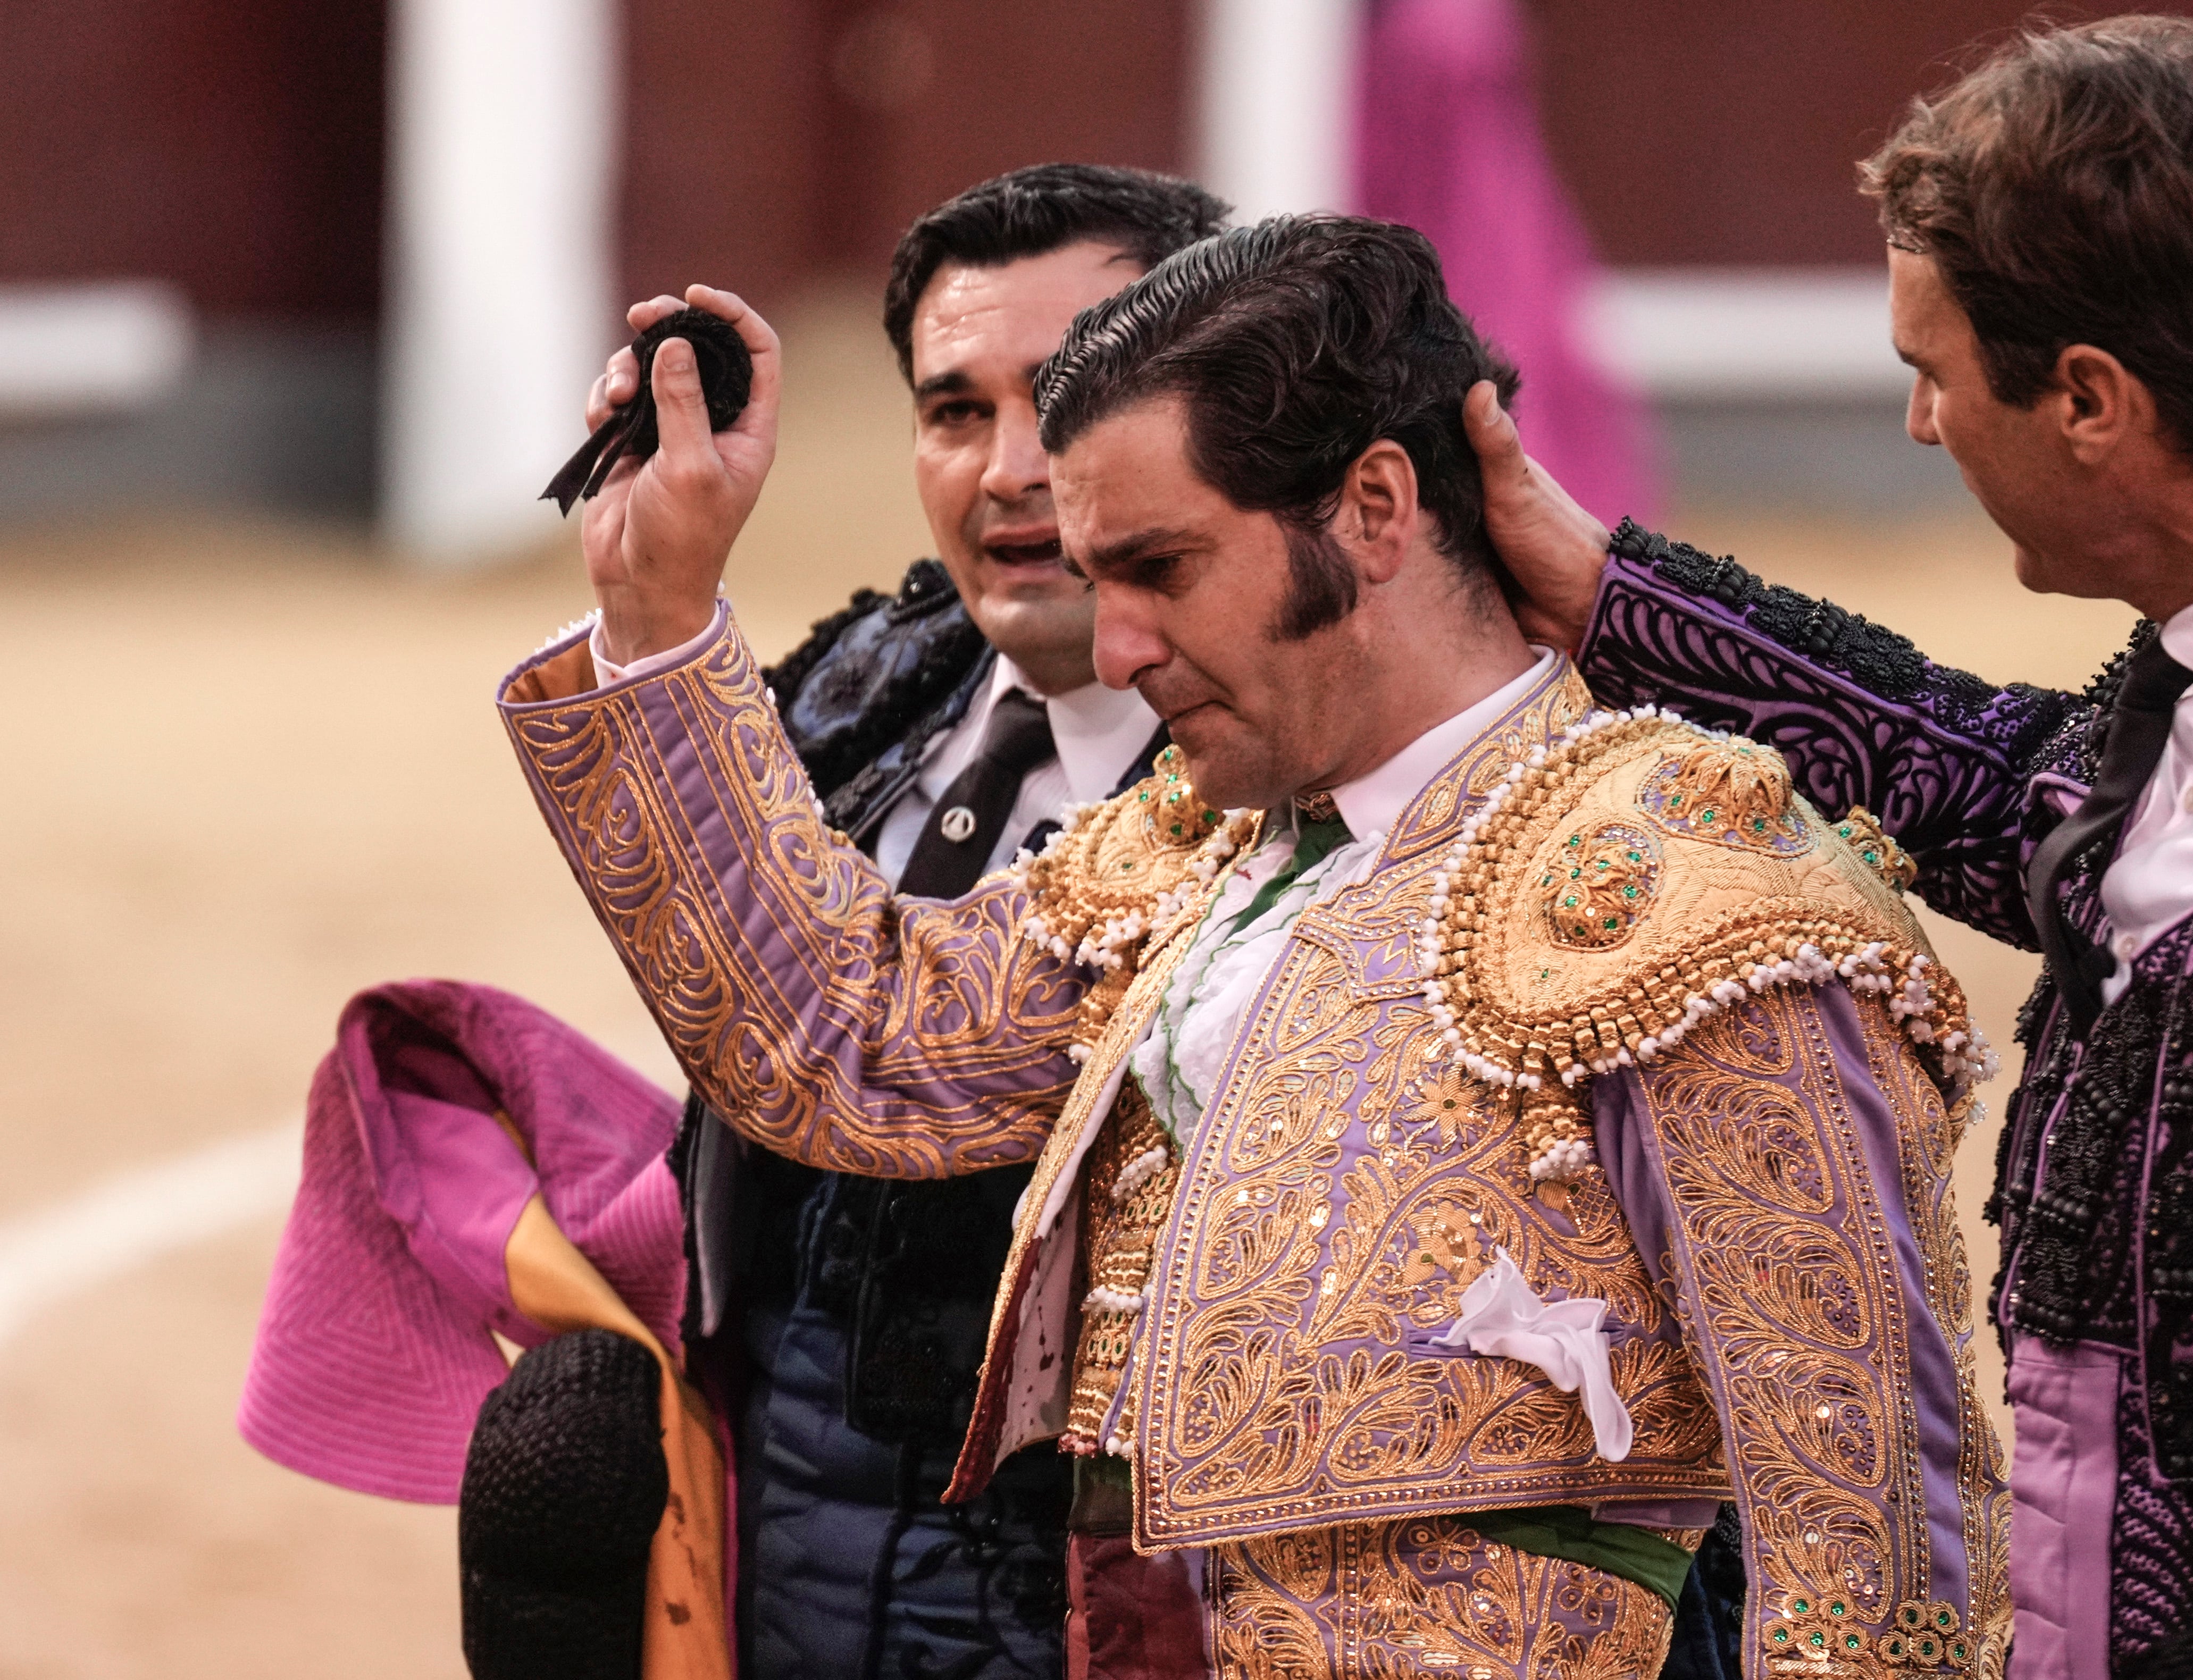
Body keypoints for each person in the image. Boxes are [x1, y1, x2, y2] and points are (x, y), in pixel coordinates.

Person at [500, 212, 2007, 1676]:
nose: (1115, 651)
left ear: (1371, 510)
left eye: (1162, 570)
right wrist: (654, 613)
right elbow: (855, 1046)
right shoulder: (1202, 848)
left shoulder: (1689, 897)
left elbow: (1866, 1538)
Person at [1473, 17, 2193, 1679]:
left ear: (2089, 401)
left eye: (1932, 369)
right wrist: (1606, 588)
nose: (1916, 422)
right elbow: (1987, 787)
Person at [579, 164, 1220, 1678]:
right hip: (785, 1557)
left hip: (1106, 1600)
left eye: (1069, 398)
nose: (1010, 470)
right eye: (954, 411)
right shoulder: (865, 678)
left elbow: (862, 1044)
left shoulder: (1290, 759)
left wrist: (667, 636)